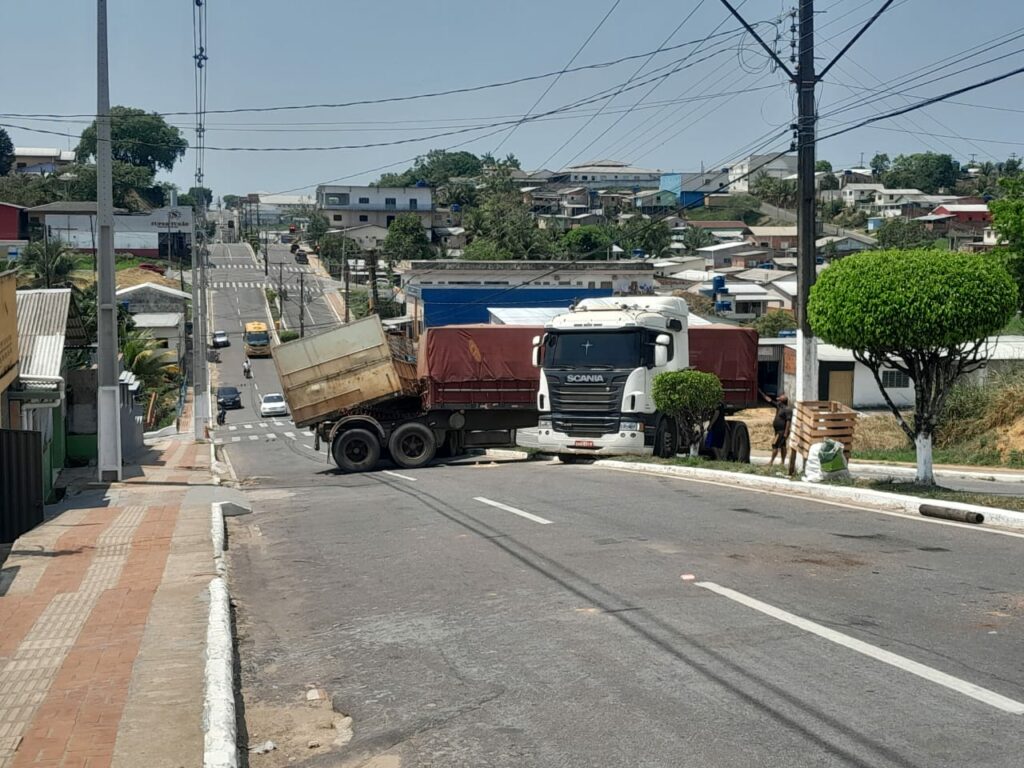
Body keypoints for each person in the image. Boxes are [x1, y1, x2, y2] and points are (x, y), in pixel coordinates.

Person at [769, 393, 793, 466]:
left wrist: (786, 433)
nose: (778, 401)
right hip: (778, 431)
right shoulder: (779, 407)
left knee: (775, 445)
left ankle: (771, 462)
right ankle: (782, 462)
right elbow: (770, 401)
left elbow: (788, 421)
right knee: (783, 446)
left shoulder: (788, 410)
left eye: (779, 400)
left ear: (782, 402)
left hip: (782, 431)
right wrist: (761, 393)